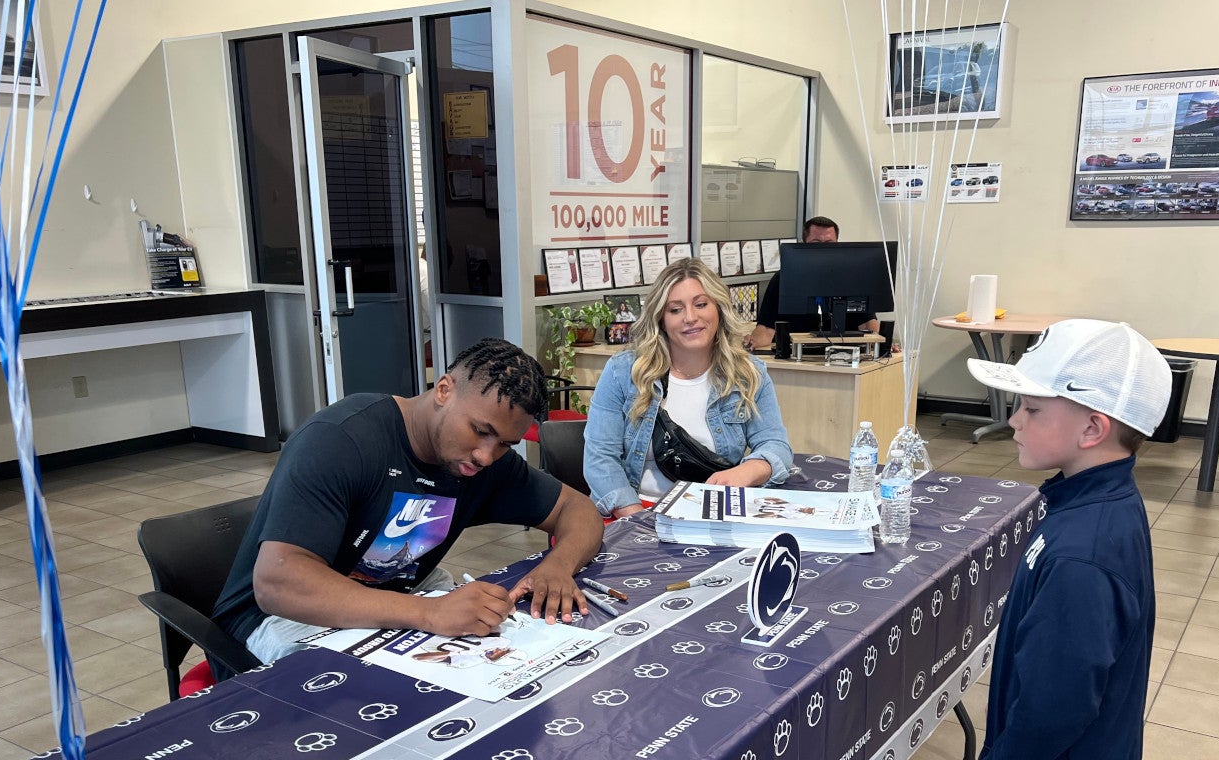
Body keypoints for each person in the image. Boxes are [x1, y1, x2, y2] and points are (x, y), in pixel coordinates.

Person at [927, 318, 1173, 760]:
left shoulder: (1082, 552)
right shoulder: (1089, 505)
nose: (1015, 420)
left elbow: (1063, 700)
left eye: (1034, 409)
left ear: (1093, 427)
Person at [211, 338, 604, 679]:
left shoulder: (484, 461)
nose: (486, 455)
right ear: (444, 390)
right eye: (480, 431)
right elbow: (278, 584)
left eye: (505, 444)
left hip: (398, 596)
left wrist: (557, 566)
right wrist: (427, 614)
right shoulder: (340, 440)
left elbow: (578, 509)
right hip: (277, 618)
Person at [583, 257, 792, 519]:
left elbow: (776, 445)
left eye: (701, 304)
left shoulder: (749, 373)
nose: (690, 318)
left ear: (719, 308)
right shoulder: (623, 372)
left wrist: (748, 470)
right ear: (661, 319)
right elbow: (600, 460)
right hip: (635, 510)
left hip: (713, 512)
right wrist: (638, 521)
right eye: (675, 310)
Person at [745, 215, 882, 350]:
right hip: (797, 355)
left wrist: (883, 344)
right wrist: (752, 342)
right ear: (803, 245)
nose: (823, 250)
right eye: (816, 244)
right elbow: (767, 329)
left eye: (829, 244)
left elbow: (868, 324)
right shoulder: (782, 279)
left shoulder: (853, 279)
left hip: (844, 355)